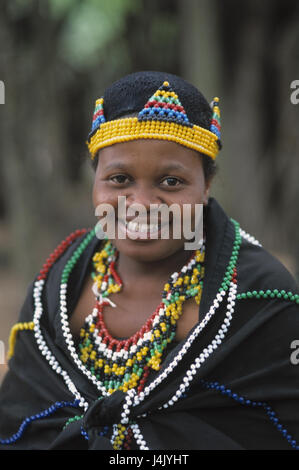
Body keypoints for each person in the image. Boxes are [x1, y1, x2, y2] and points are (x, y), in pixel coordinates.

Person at [0, 71, 299, 451]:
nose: (141, 205)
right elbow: (22, 425)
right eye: (120, 179)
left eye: (171, 182)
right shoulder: (57, 287)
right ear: (95, 181)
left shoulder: (258, 298)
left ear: (206, 186)